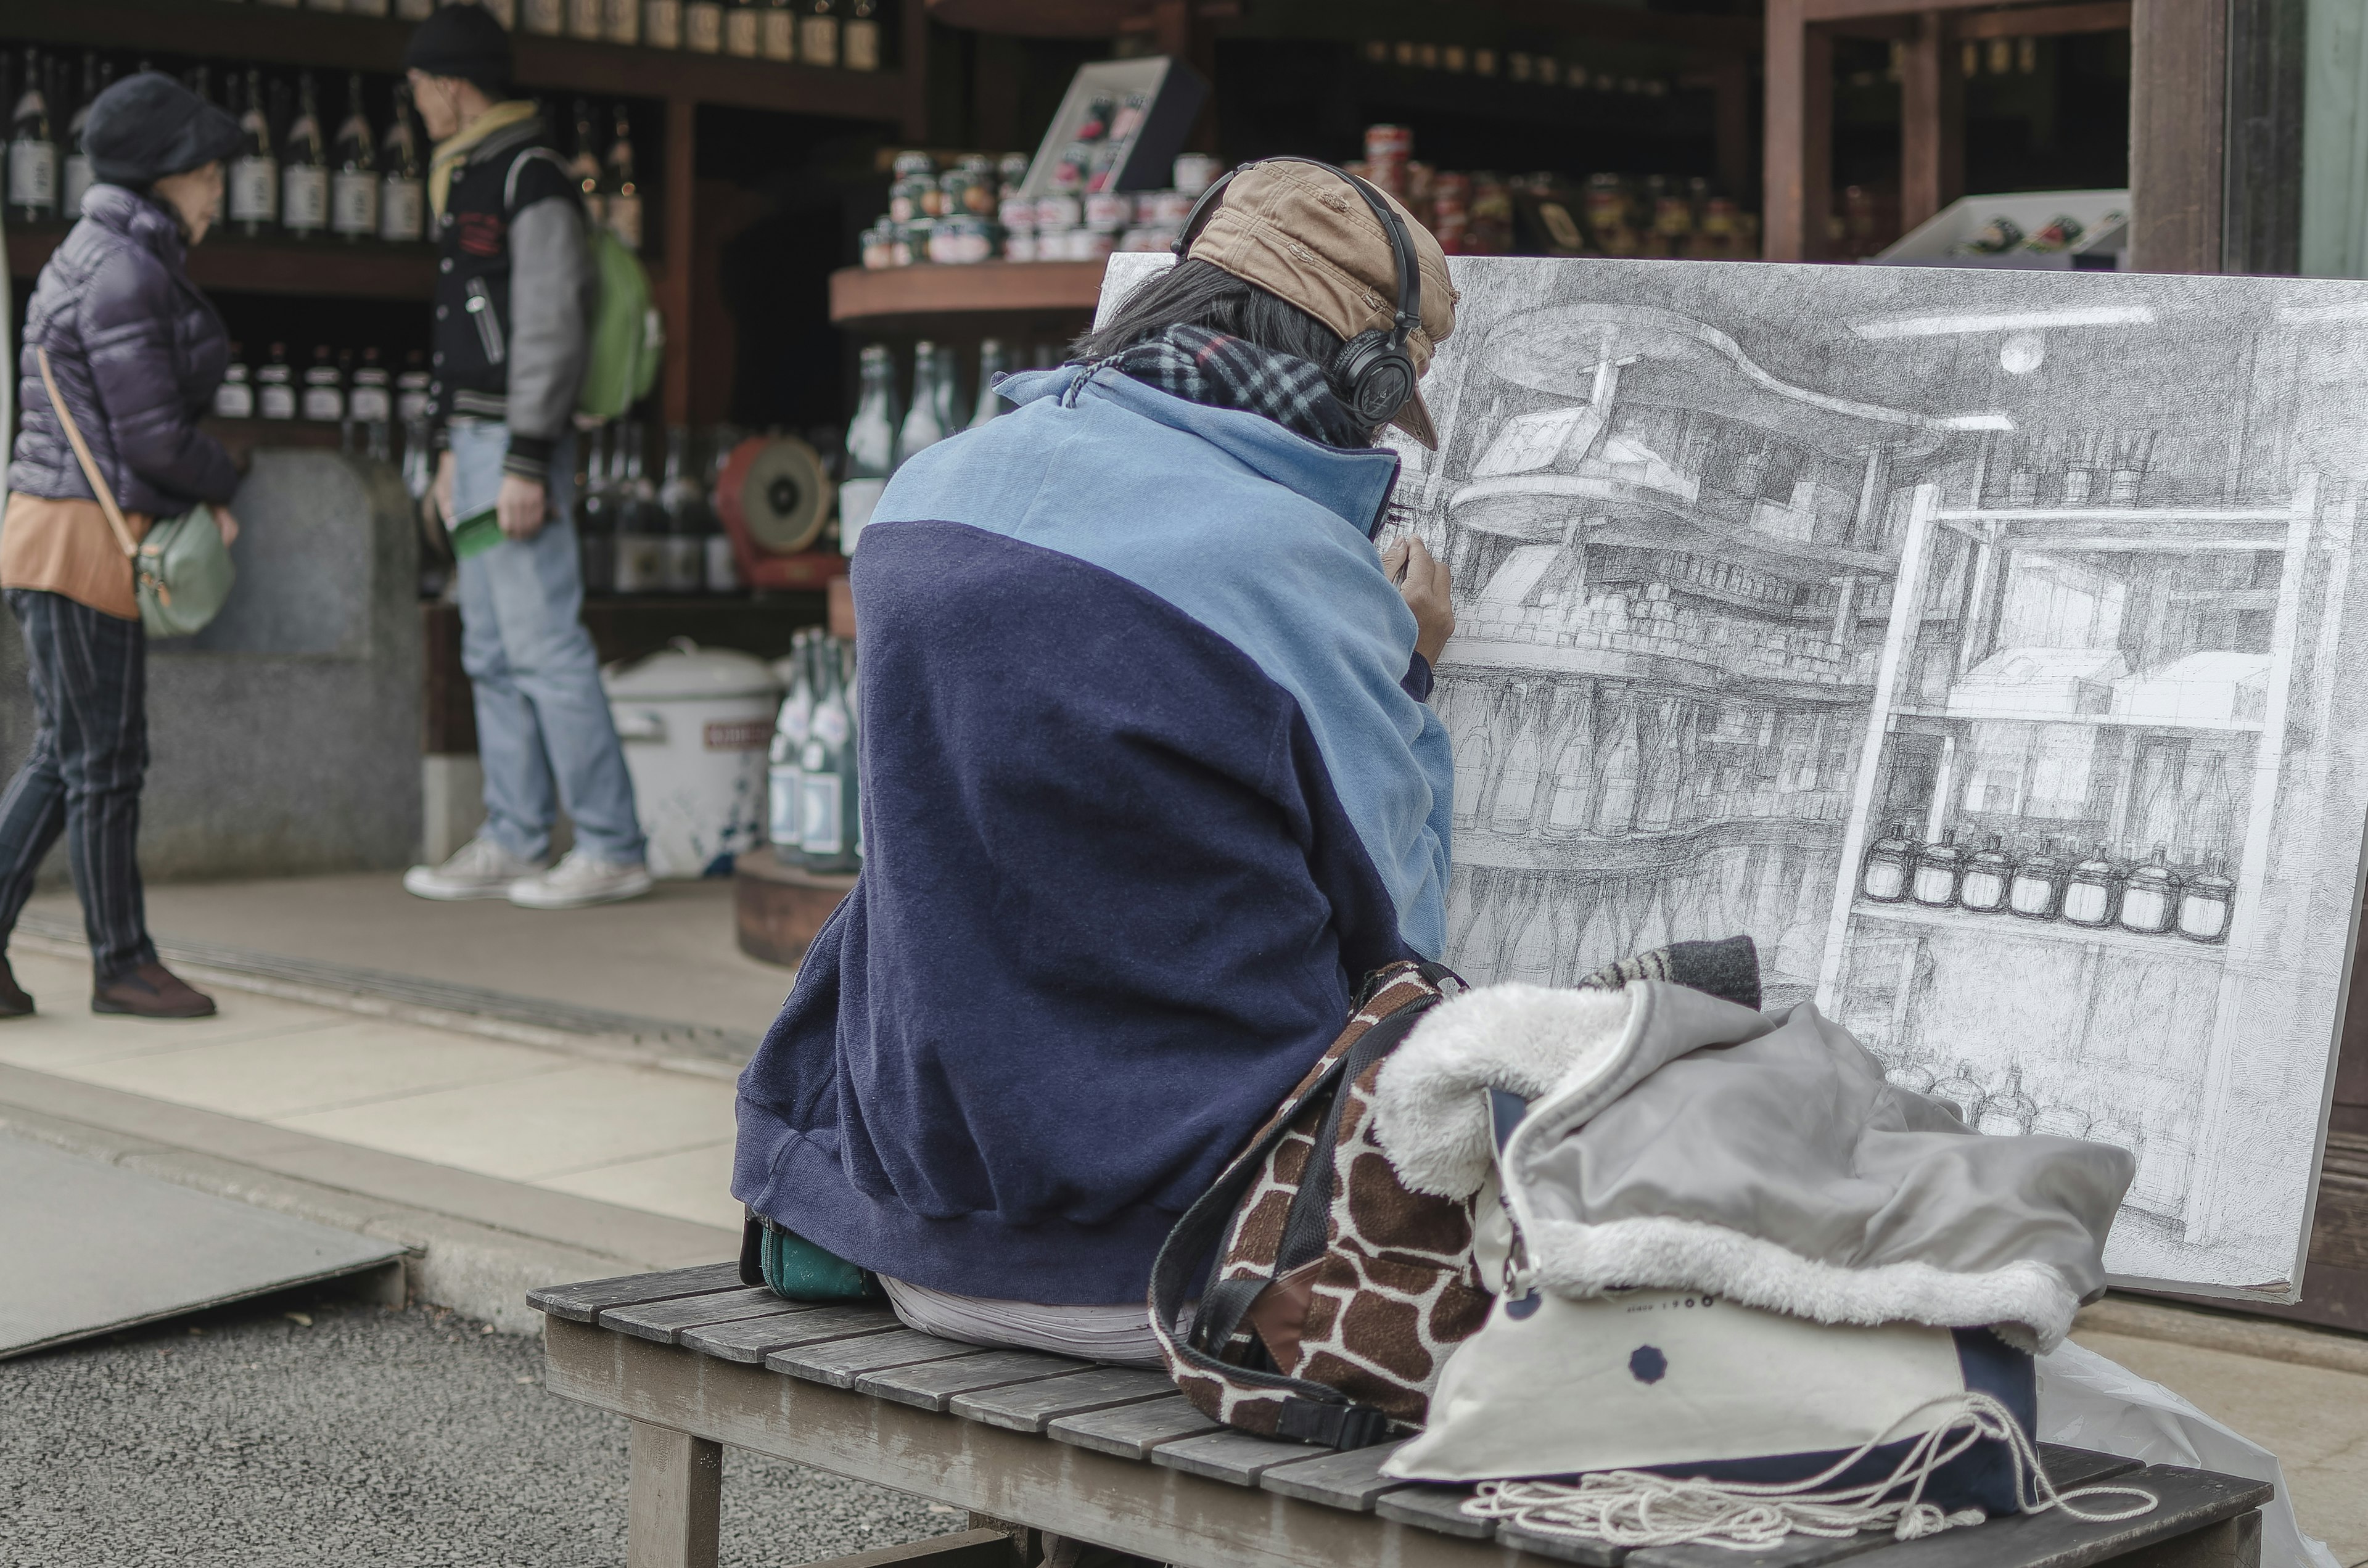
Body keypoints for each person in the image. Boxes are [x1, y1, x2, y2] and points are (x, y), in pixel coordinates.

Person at [733, 160, 1460, 1368]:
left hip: (916, 1237)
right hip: (1199, 1264)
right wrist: (1410, 673)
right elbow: (1403, 944)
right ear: (1365, 387)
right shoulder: (1289, 559)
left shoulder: (921, 494)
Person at [0, 73, 245, 1020]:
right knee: (98, 761)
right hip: (80, 539)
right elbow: (148, 438)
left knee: (78, 756)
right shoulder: (123, 267)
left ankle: (116, 959)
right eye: (209, 171)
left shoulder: (108, 254)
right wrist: (222, 480)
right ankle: (122, 963)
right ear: (164, 173)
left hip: (66, 531)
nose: (220, 187)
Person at [397, 3, 651, 910]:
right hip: (472, 443)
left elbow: (549, 321)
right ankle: (512, 832)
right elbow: (457, 331)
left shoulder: (528, 176)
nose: (417, 103)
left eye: (422, 87)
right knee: (492, 650)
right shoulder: (465, 173)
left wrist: (525, 458)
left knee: (545, 645)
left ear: (454, 87)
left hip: (514, 442)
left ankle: (613, 843)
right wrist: (443, 451)